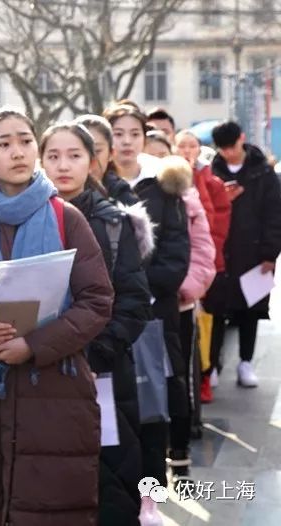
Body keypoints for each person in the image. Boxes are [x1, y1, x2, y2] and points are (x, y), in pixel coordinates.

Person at [0, 107, 114, 526]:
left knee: (50, 508)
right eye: (3, 144)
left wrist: (33, 345)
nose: (18, 152)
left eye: (26, 141)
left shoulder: (66, 217)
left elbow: (97, 300)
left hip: (54, 391)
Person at [41, 122, 153, 526]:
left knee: (109, 479)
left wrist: (93, 353)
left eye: (74, 155)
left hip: (102, 371)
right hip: (37, 374)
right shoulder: (31, 219)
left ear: (93, 162)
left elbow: (135, 302)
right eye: (53, 156)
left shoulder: (113, 223)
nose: (63, 165)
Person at [102, 102, 190, 490]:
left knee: (154, 401)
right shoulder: (95, 187)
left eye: (133, 134)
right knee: (112, 409)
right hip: (105, 315)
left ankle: (153, 489)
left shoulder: (162, 189)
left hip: (155, 313)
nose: (125, 142)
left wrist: (135, 287)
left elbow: (176, 256)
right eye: (116, 134)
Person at [205, 121, 281, 388]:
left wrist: (271, 253)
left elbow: (275, 215)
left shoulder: (263, 172)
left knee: (251, 309)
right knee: (215, 308)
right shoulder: (212, 171)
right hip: (220, 252)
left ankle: (245, 362)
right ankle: (211, 364)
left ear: (242, 139)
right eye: (223, 149)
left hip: (254, 252)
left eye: (232, 146)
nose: (229, 153)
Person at [162, 155, 215, 482]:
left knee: (176, 380)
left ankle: (179, 456)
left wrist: (187, 287)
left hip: (176, 303)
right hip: (139, 307)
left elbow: (203, 247)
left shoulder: (179, 191)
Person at [175, 129, 232, 404]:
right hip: (178, 267)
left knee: (207, 321)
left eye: (191, 145)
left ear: (199, 149)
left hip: (205, 263)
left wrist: (206, 262)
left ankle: (206, 373)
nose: (187, 150)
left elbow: (217, 227)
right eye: (181, 145)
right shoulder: (169, 179)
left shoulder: (211, 181)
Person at [76, 115, 139, 206]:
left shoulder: (123, 195)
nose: (89, 159)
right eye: (76, 154)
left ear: (111, 153)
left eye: (96, 151)